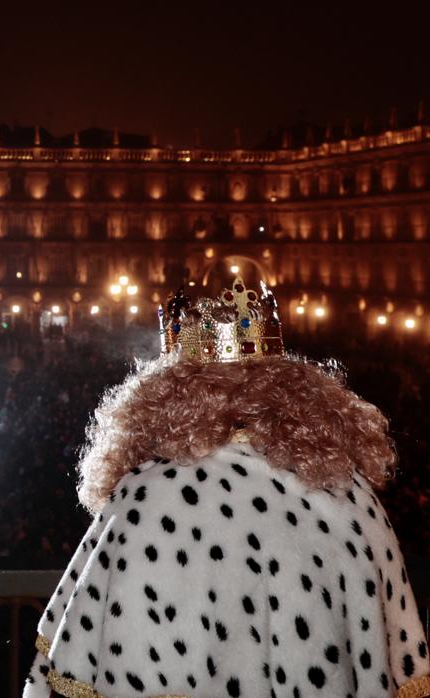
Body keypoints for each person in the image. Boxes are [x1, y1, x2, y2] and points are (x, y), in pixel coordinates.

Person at [23, 274, 430, 698]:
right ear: (296, 389)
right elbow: (398, 658)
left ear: (165, 393)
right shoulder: (349, 493)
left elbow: (74, 659)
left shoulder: (144, 497)